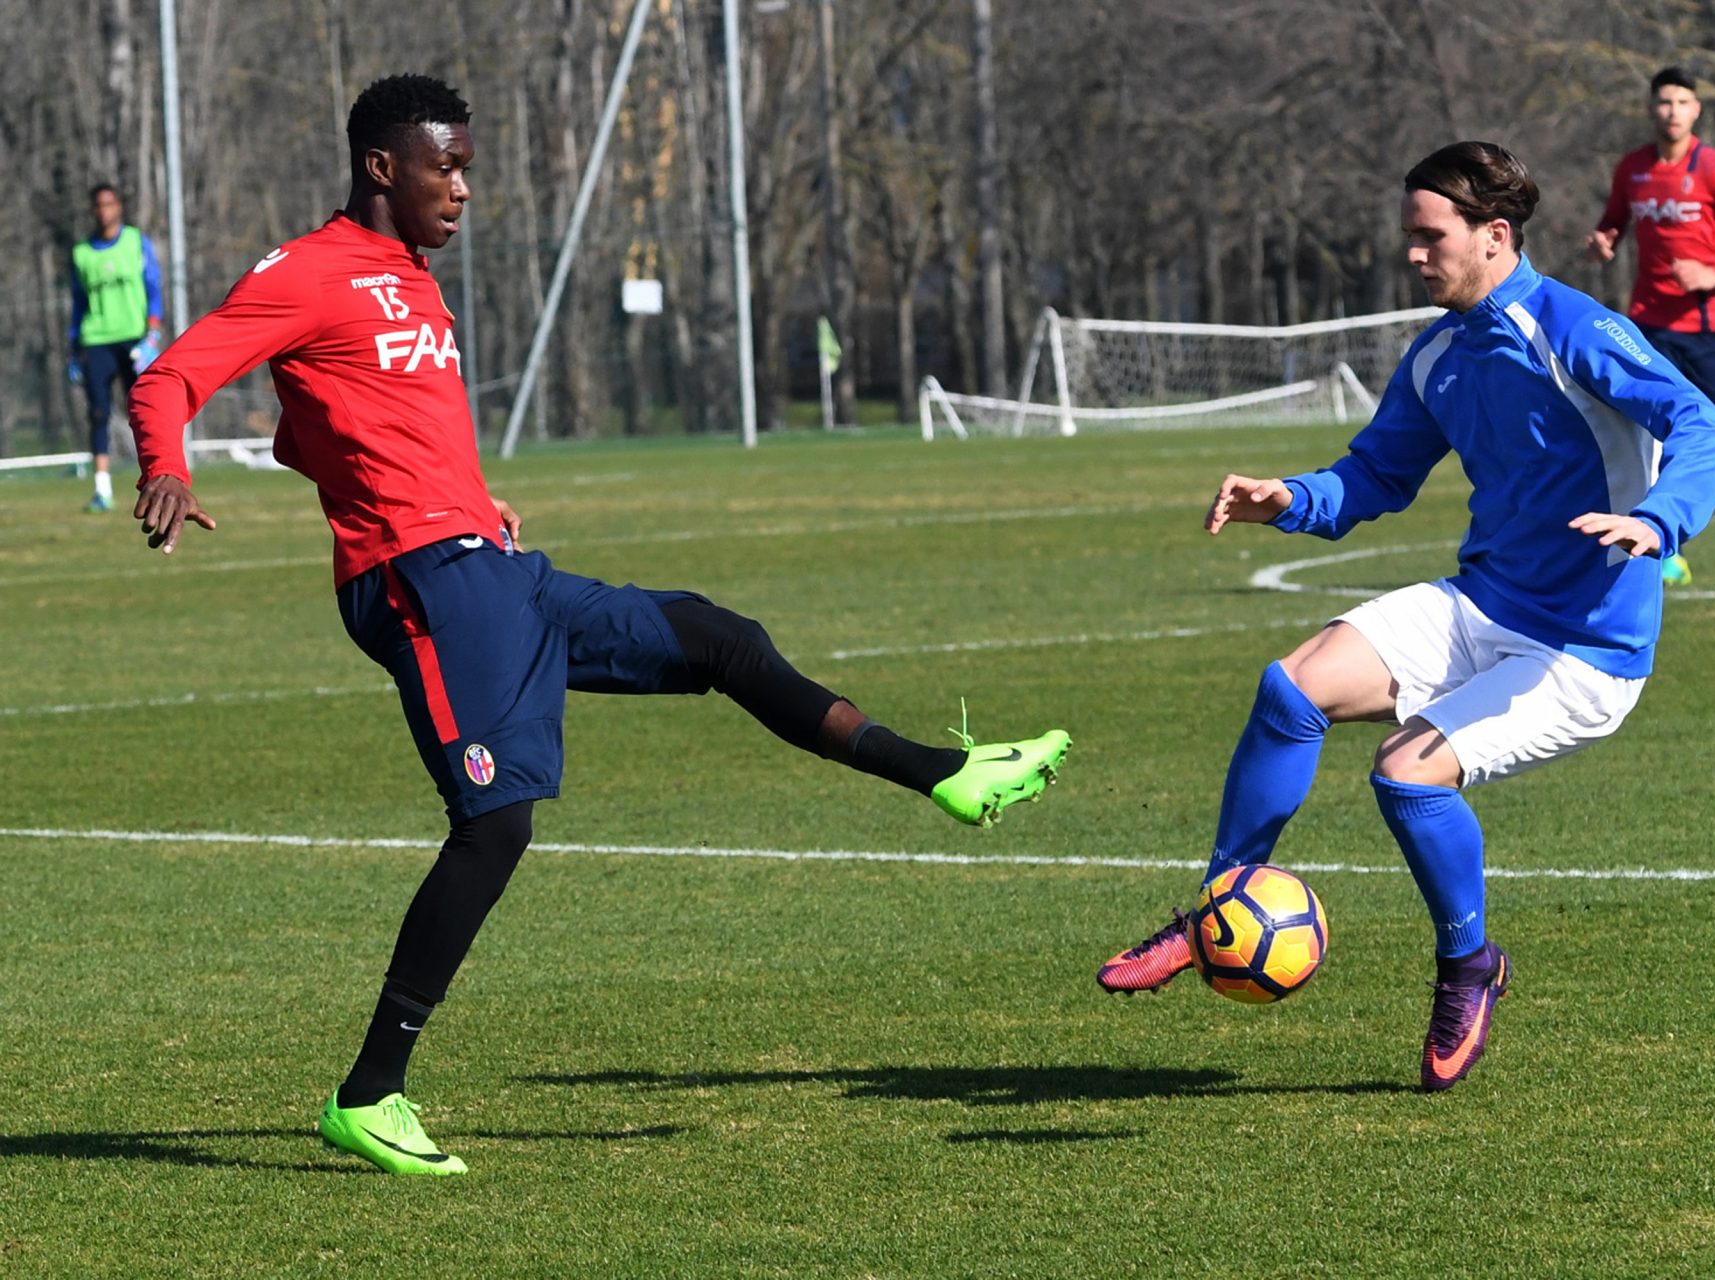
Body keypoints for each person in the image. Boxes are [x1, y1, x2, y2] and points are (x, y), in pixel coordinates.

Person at [127, 74, 1072, 1176]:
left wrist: (469, 500)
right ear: (383, 166)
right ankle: (370, 1091)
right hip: (422, 580)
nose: (463, 188)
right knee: (498, 823)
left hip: (492, 566)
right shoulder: (306, 270)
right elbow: (171, 377)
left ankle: (943, 772)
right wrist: (164, 466)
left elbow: (336, 432)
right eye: (446, 166)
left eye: (467, 167)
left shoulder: (415, 282)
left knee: (718, 637)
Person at [1095, 142, 1715, 1093]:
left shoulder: (1575, 330)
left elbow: (1699, 424)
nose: (1413, 255)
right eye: (1409, 236)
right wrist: (1291, 498)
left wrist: (1656, 519)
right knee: (1292, 688)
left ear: (1495, 236)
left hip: (1586, 649)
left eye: (1431, 237)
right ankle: (1218, 906)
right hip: (1484, 602)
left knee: (1407, 772)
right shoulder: (1439, 354)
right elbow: (1376, 475)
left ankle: (1469, 965)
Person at [1586, 65, 1715, 586]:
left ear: (1696, 110)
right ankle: (1667, 544)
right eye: (1664, 101)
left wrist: (1714, 272)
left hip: (1713, 323)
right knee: (1653, 433)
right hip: (1649, 322)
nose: (1672, 111)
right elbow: (1614, 222)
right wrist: (1603, 240)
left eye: (1682, 102)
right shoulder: (1633, 169)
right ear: (1651, 109)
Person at [70, 182, 166, 513]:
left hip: (133, 338)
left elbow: (153, 287)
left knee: (142, 409)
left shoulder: (135, 242)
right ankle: (102, 489)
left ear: (118, 206)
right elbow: (78, 303)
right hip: (96, 340)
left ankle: (155, 479)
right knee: (98, 413)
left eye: (109, 204)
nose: (103, 211)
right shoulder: (81, 253)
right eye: (98, 205)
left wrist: (152, 333)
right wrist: (73, 349)